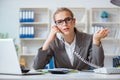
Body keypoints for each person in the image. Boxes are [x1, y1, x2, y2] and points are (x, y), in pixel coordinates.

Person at [33, 7, 110, 71]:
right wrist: (48, 41)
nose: (64, 24)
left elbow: (97, 66)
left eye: (68, 19)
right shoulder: (54, 42)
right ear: (56, 26)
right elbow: (37, 67)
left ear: (74, 21)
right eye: (60, 22)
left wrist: (96, 40)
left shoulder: (89, 39)